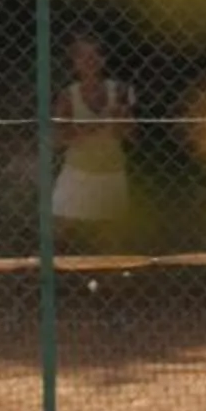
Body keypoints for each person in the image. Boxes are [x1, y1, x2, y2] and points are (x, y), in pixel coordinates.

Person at [50, 34, 135, 250]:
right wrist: (99, 125)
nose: (90, 60)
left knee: (110, 244)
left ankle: (109, 282)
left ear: (104, 59)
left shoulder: (119, 90)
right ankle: (50, 280)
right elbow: (60, 139)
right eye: (82, 55)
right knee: (58, 237)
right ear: (74, 62)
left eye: (96, 53)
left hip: (111, 171)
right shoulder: (68, 95)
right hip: (78, 173)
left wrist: (119, 122)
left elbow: (129, 134)